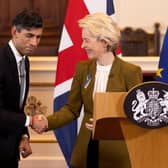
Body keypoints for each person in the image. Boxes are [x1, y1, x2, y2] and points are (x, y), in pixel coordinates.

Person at [33, 13, 143, 168]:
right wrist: (47, 122)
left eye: (86, 40)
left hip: (117, 152)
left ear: (104, 42)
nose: (82, 45)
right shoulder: (83, 69)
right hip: (87, 149)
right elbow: (71, 109)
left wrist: (110, 126)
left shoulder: (130, 72)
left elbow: (136, 116)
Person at [0, 10, 47, 167]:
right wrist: (30, 121)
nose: (34, 43)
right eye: (29, 36)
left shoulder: (24, 61)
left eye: (38, 37)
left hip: (10, 150)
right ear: (15, 32)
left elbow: (16, 106)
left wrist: (24, 136)